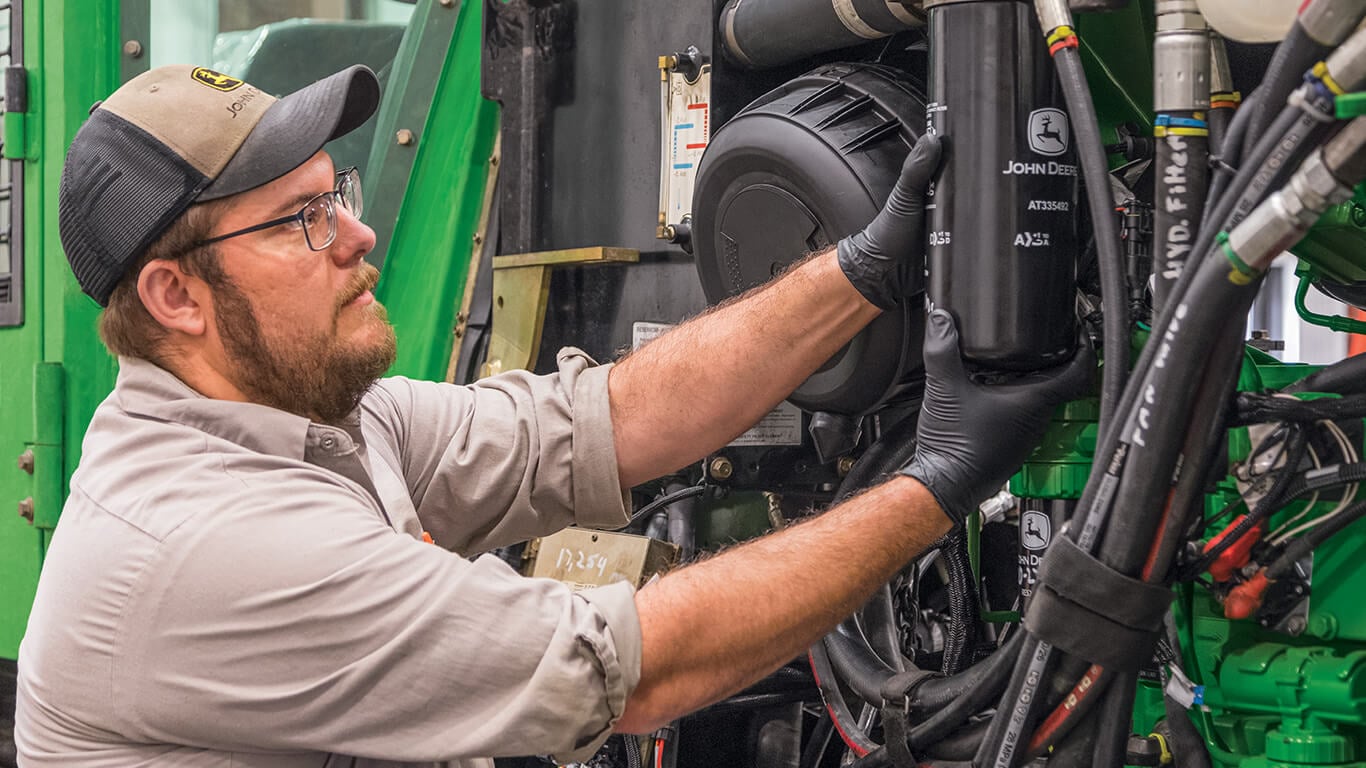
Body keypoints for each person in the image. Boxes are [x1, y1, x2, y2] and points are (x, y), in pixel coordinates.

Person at [15, 64, 1090, 767]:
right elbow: (627, 666)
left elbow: (607, 418)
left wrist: (857, 269)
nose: (357, 237)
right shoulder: (209, 543)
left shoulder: (316, 422)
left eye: (337, 193)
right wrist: (931, 487)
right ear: (175, 296)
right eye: (302, 221)